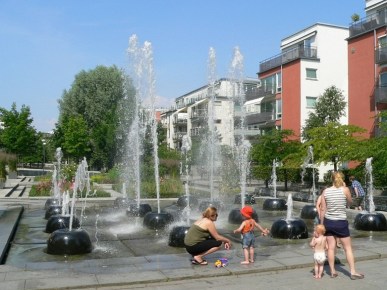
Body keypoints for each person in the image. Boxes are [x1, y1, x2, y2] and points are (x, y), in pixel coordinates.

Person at [319, 171, 364, 280]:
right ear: (342, 179)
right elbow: (350, 203)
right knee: (347, 248)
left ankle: (333, 271)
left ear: (332, 179)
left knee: (330, 248)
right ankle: (353, 272)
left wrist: (321, 224)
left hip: (328, 222)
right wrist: (344, 190)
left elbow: (323, 209)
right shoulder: (345, 190)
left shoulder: (326, 191)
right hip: (341, 222)